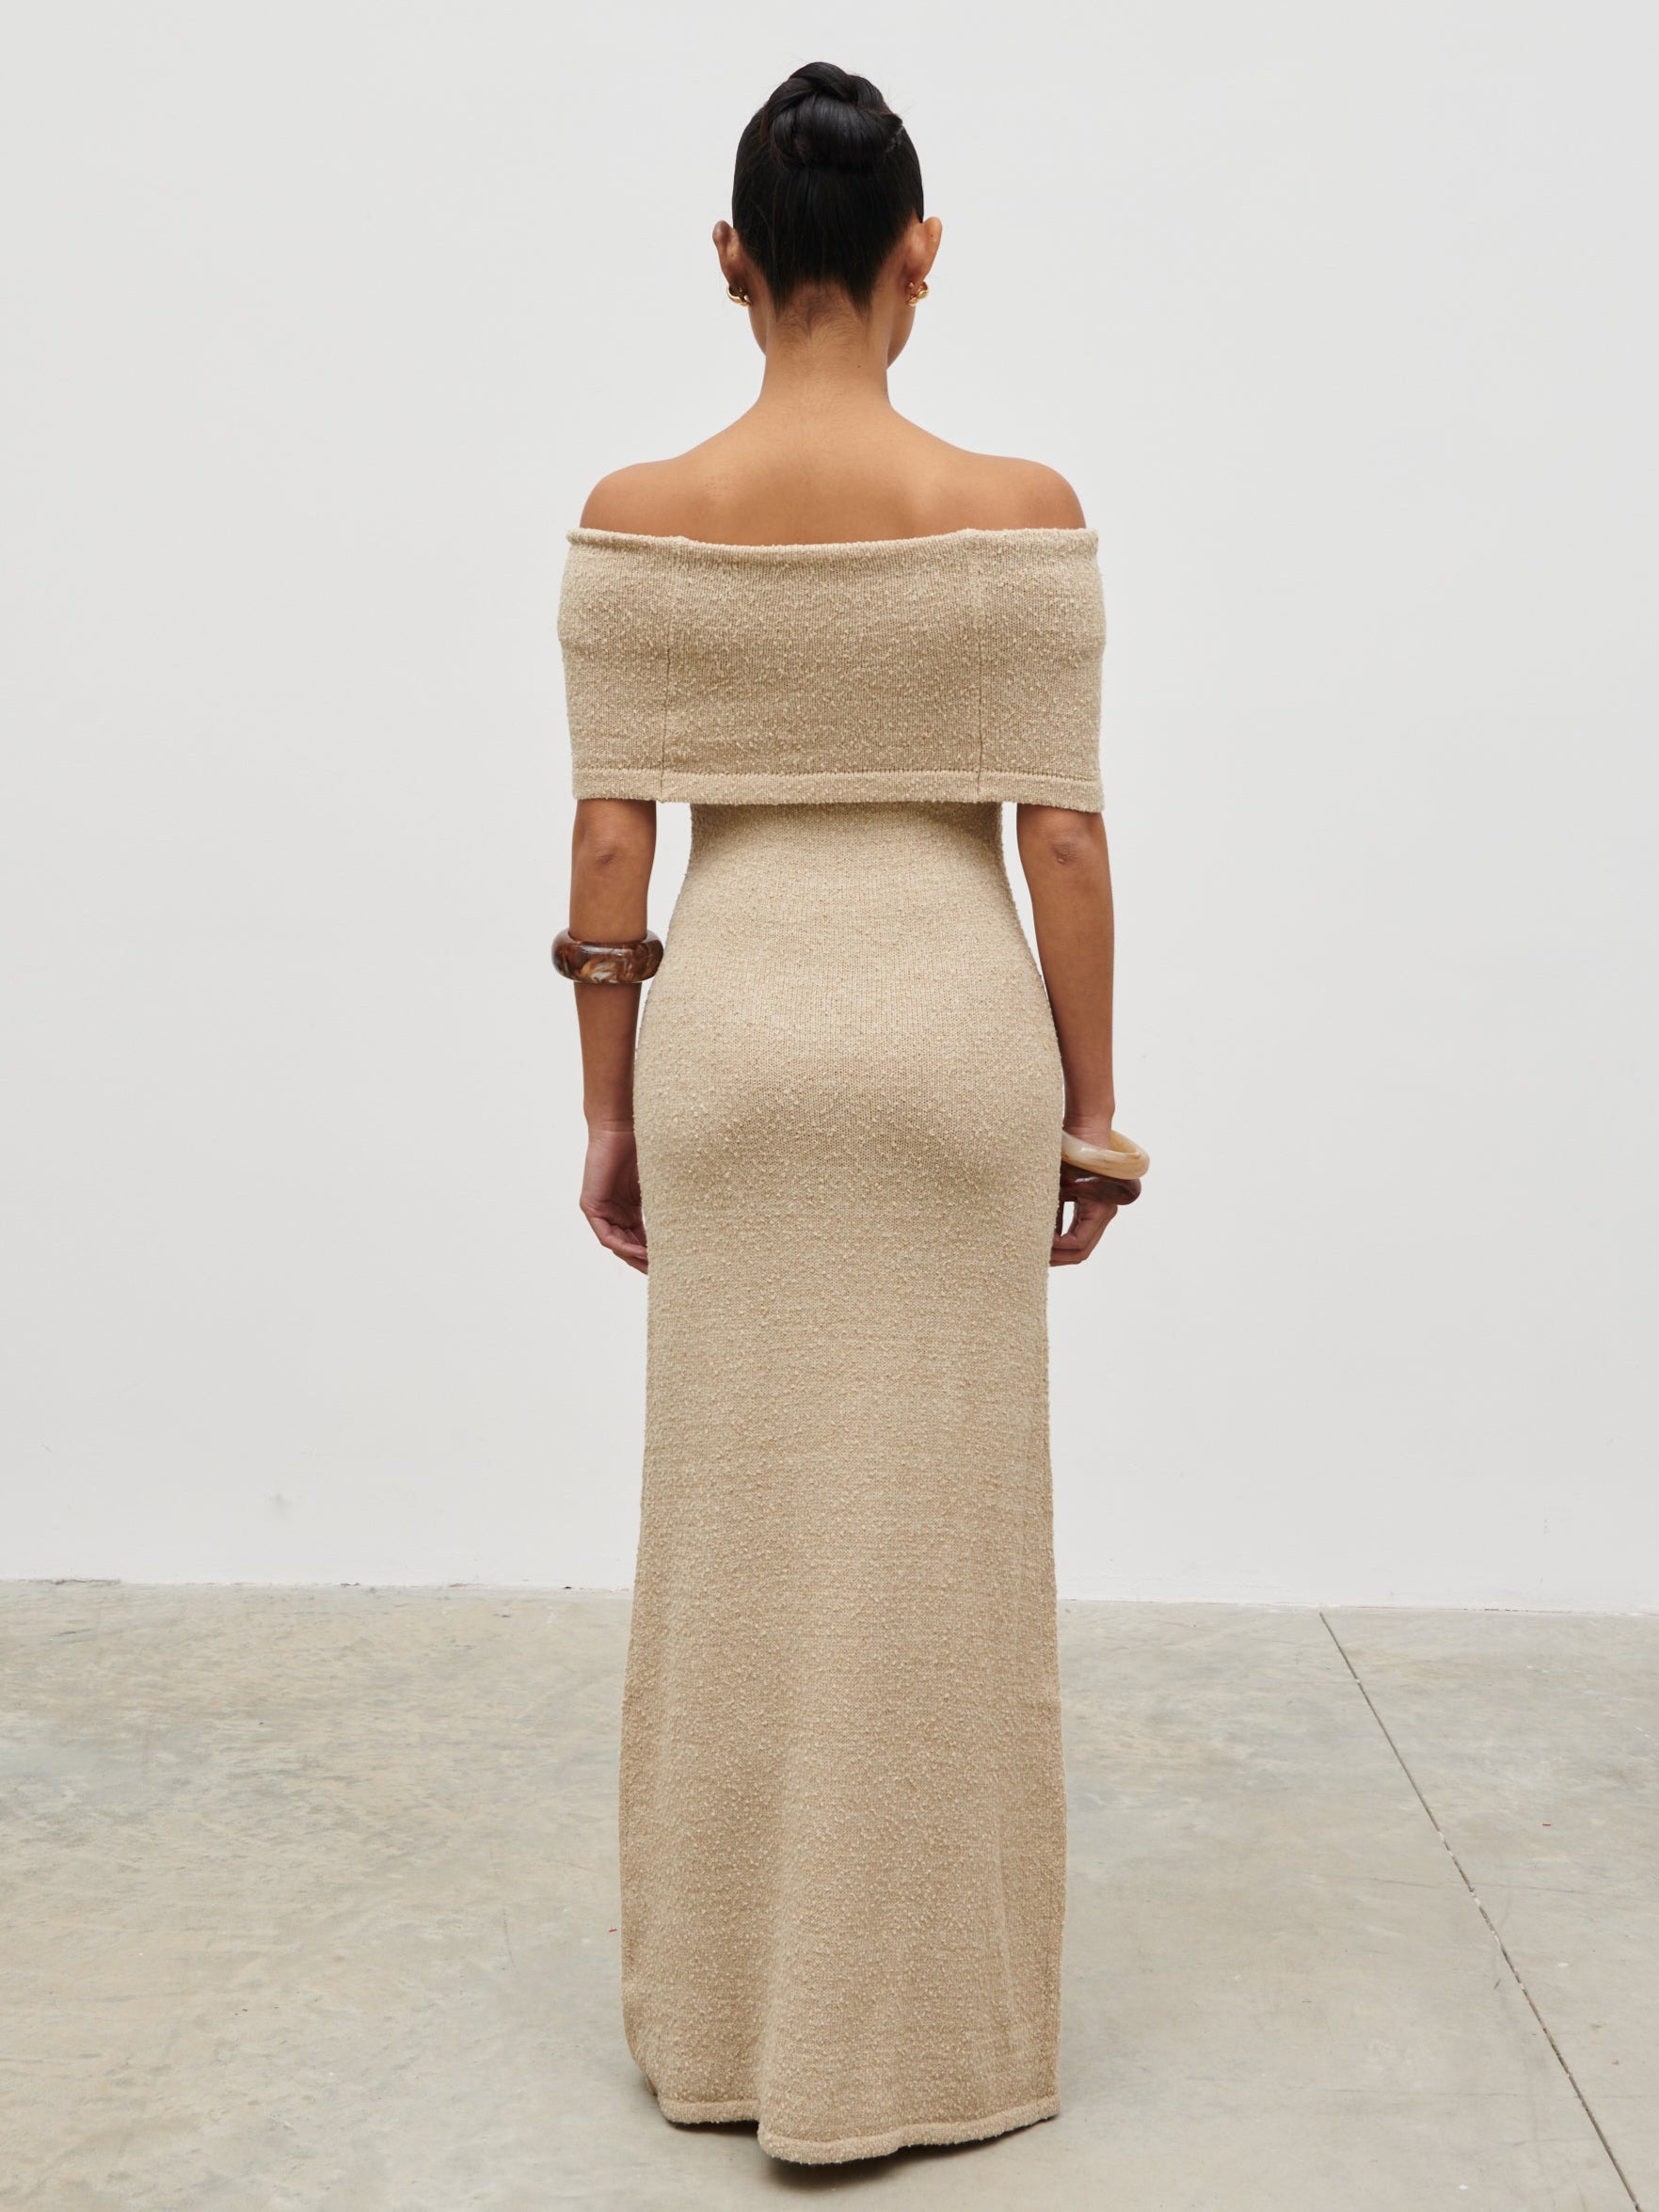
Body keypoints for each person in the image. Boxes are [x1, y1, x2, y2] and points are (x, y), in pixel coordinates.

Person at [553, 60, 1147, 2168]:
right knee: (940, 1535)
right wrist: (1095, 1117)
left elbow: (610, 851)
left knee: (733, 1526)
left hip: (732, 1049)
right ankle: (918, 2042)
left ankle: (729, 2024)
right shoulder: (1018, 515)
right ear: (921, 255)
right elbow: (1060, 842)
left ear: (730, 258)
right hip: (949, 1051)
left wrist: (610, 1111)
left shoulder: (638, 519)